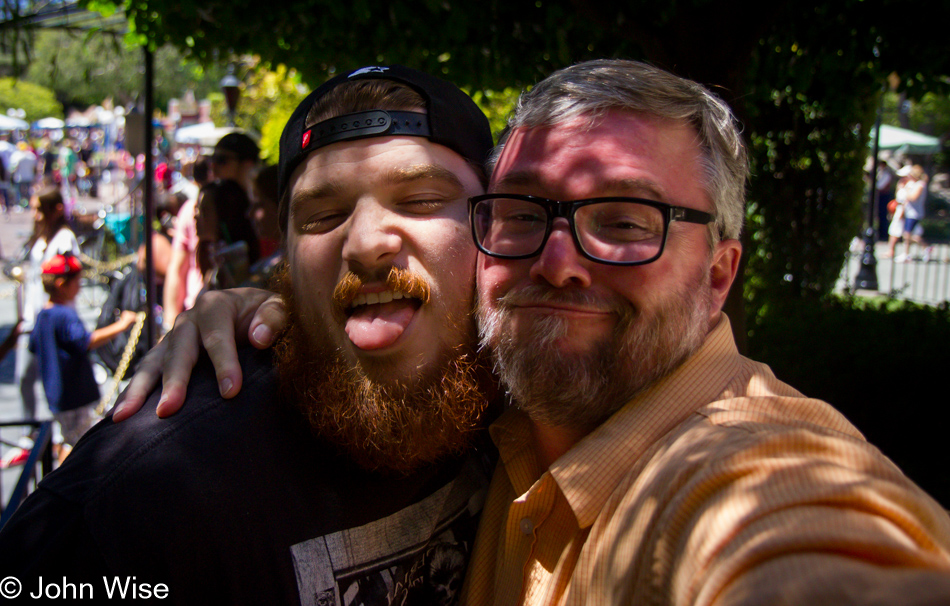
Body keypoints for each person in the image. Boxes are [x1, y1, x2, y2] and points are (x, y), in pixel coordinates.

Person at [123, 60, 950, 605]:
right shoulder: (479, 412)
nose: (556, 262)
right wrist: (267, 309)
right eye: (521, 213)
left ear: (720, 272)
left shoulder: (755, 466)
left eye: (626, 221)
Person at [0, 65, 498, 605]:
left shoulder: (538, 396)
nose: (365, 242)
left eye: (421, 199)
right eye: (323, 215)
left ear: (497, 226)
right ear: (286, 256)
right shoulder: (140, 498)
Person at [29, 253, 137, 462]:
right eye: (77, 282)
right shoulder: (64, 315)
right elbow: (85, 341)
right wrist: (122, 325)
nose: (80, 287)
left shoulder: (43, 314)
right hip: (76, 395)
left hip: (57, 397)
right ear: (62, 285)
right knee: (81, 445)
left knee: (69, 439)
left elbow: (34, 346)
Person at [163, 135, 259, 329]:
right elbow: (177, 269)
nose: (213, 167)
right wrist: (170, 327)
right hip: (196, 319)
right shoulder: (192, 209)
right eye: (211, 161)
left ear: (248, 165)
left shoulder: (263, 214)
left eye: (222, 160)